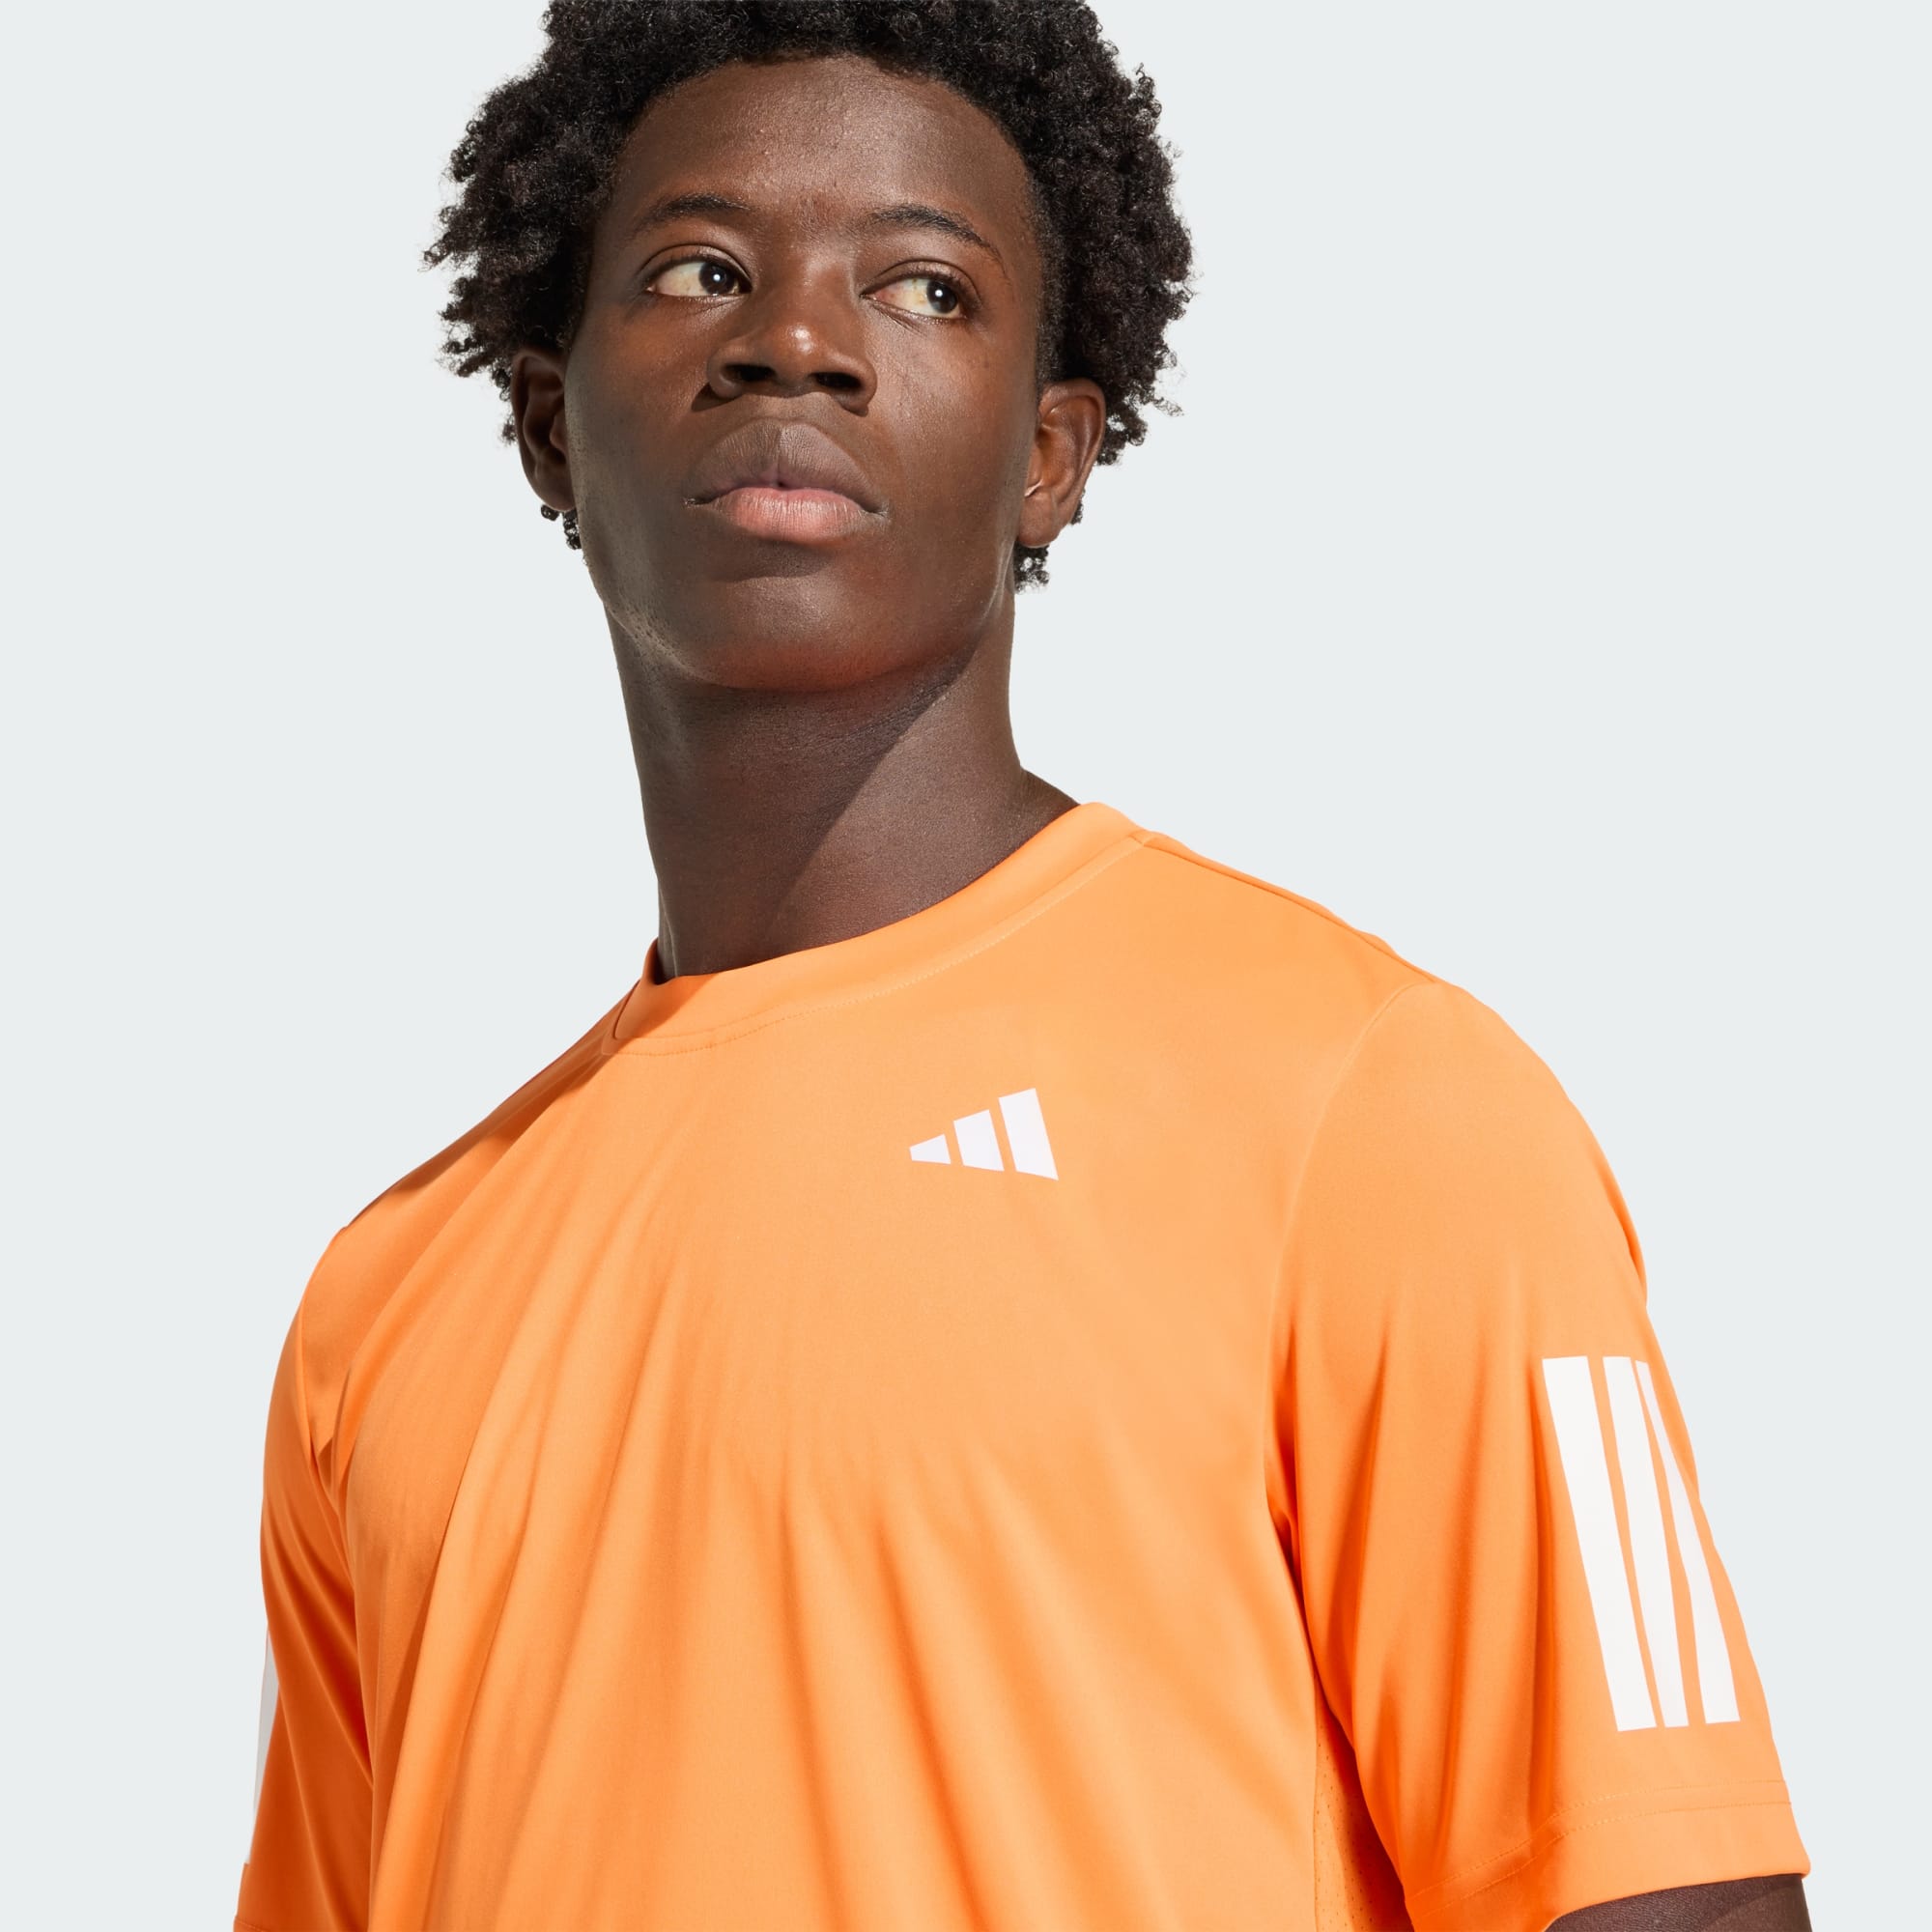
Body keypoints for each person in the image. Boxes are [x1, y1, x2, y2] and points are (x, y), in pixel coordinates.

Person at [234, 4, 1810, 1928]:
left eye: (923, 287)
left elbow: (1683, 1904)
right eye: (702, 270)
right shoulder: (385, 1300)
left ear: (1052, 453)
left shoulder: (1374, 1103)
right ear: (551, 420)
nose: (795, 340)